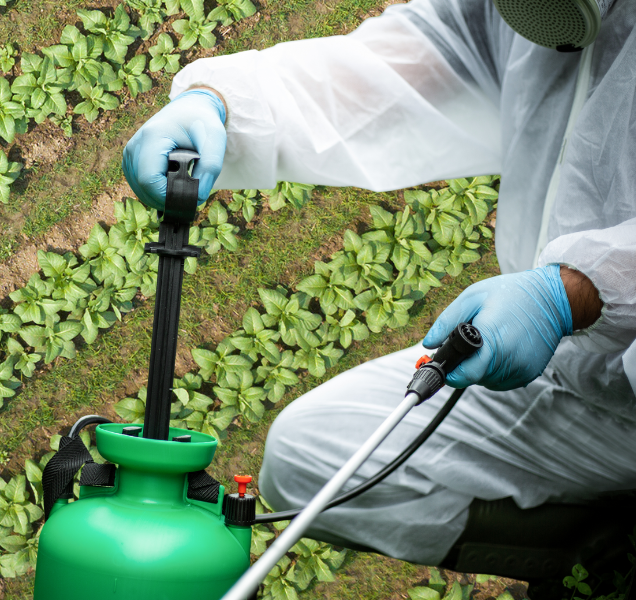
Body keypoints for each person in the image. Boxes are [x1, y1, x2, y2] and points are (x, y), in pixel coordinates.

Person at [122, 0, 636, 595]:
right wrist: (224, 102)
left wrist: (573, 292)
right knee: (307, 458)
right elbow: (421, 55)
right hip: (555, 360)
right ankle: (594, 539)